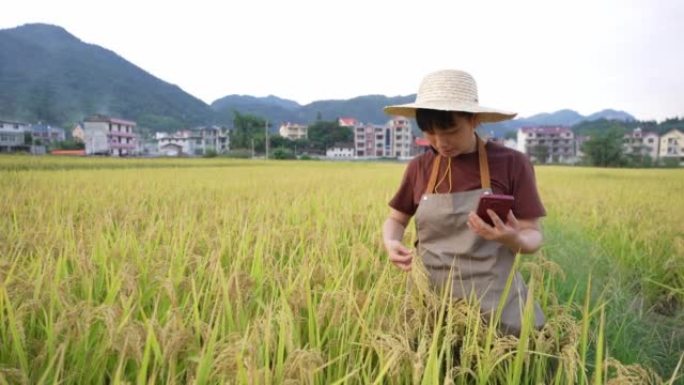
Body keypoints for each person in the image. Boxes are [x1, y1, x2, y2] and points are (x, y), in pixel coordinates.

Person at [382, 69, 545, 336]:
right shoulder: (419, 167)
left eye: (451, 131)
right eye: (430, 133)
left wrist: (513, 238)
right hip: (431, 303)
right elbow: (396, 219)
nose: (440, 143)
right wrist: (390, 242)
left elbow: (532, 234)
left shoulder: (512, 164)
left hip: (495, 303)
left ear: (474, 119)